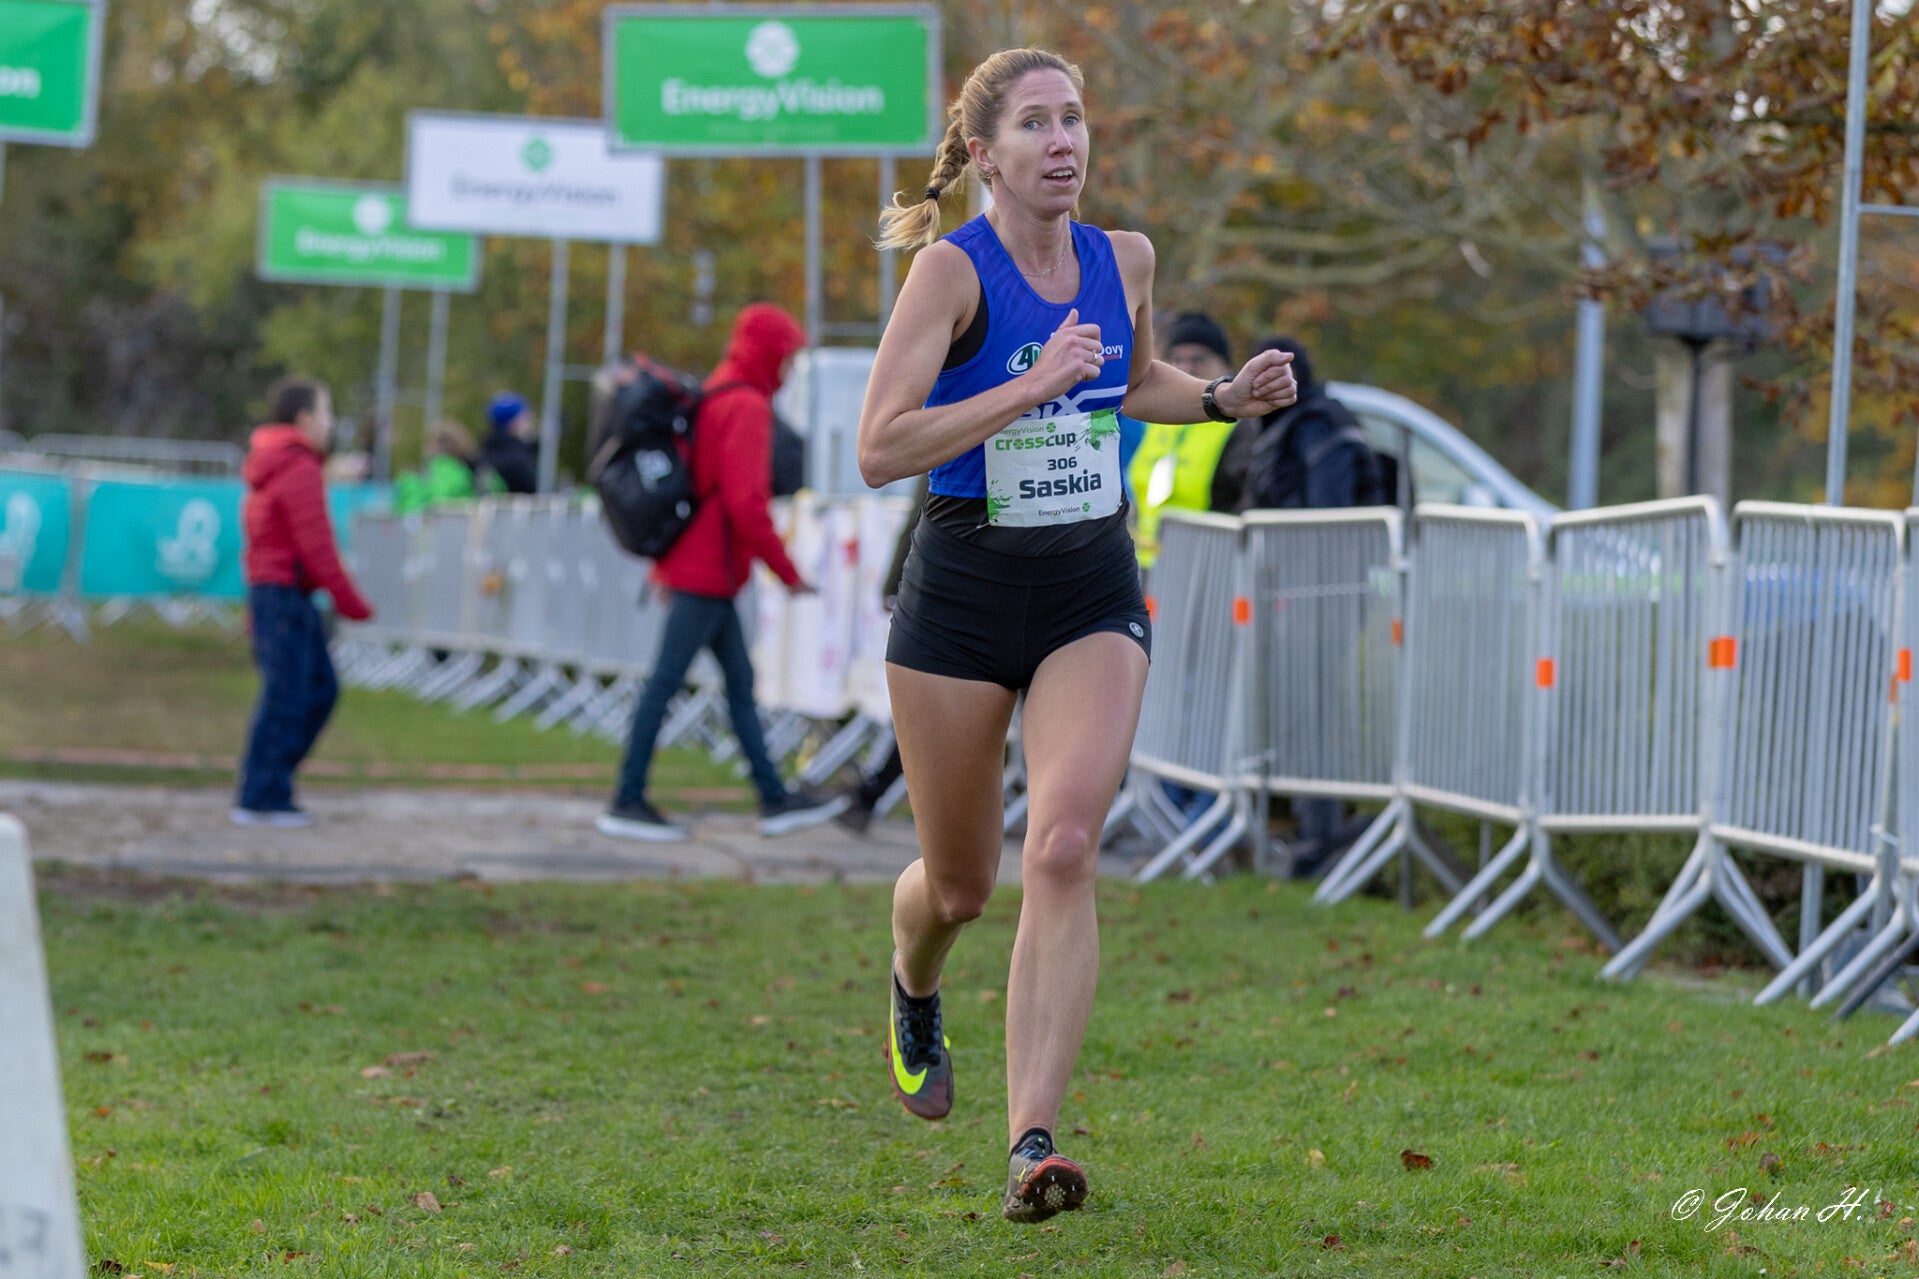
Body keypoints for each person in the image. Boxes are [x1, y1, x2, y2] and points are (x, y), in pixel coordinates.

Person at [858, 48, 1297, 1224]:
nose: (1063, 142)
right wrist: (1026, 383)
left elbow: (1131, 381)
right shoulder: (950, 273)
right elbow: (879, 446)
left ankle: (1031, 1144)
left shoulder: (1124, 259)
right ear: (985, 153)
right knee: (959, 886)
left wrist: (1219, 400)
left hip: (1086, 585)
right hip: (959, 589)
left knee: (1060, 845)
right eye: (1035, 124)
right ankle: (911, 978)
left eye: (1074, 120)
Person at [597, 303, 850, 843]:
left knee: (737, 685)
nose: (789, 371)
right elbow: (745, 503)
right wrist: (789, 573)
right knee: (666, 684)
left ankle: (773, 798)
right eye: (787, 358)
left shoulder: (716, 391)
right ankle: (627, 799)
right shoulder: (747, 405)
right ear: (769, 355)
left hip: (700, 566)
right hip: (708, 572)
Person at [234, 378, 374, 826]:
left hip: (282, 594)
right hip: (283, 596)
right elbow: (317, 545)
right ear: (304, 418)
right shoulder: (297, 467)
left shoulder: (281, 462)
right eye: (327, 412)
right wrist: (352, 603)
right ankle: (262, 794)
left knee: (314, 689)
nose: (331, 424)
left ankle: (268, 785)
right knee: (290, 696)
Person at [1123, 312, 1242, 566]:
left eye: (1199, 359)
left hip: (1208, 566)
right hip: (1149, 565)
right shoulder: (1157, 421)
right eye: (1177, 360)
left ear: (1225, 365)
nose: (1187, 368)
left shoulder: (1241, 426)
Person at [392, 419, 485, 514]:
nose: (425, 448)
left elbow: (427, 504)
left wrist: (410, 482)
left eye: (428, 442)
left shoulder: (444, 471)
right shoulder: (465, 472)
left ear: (438, 445)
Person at [477, 392, 539, 495]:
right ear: (513, 422)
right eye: (525, 418)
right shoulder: (517, 459)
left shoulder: (485, 450)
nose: (531, 423)